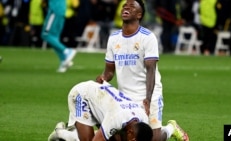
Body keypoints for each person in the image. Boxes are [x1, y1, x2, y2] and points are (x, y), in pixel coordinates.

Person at [95, 0, 188, 141]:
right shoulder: (113, 38)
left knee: (153, 139)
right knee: (122, 137)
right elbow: (109, 71)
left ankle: (171, 128)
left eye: (131, 7)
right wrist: (103, 78)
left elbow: (151, 70)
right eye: (125, 5)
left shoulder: (147, 37)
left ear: (139, 15)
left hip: (149, 93)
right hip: (125, 96)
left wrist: (148, 98)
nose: (126, 7)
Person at [47, 80, 188, 141]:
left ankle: (170, 128)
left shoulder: (142, 121)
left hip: (105, 103)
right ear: (131, 131)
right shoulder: (116, 119)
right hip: (82, 95)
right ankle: (63, 134)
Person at [41, 0, 76, 73]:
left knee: (46, 35)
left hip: (55, 9)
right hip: (61, 9)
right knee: (54, 37)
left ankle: (66, 51)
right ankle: (64, 61)